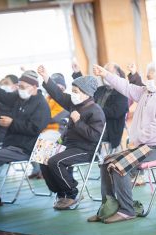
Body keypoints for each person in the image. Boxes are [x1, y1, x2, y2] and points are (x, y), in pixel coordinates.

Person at [87, 62, 156, 224]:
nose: (147, 81)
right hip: (143, 146)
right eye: (146, 78)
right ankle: (108, 208)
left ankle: (127, 210)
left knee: (119, 166)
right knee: (106, 162)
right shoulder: (146, 92)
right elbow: (125, 86)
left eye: (151, 78)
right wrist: (105, 74)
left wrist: (137, 140)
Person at [0, 69, 50, 209]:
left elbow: (34, 129)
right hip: (12, 144)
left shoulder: (41, 105)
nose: (19, 89)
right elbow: (0, 94)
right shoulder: (19, 98)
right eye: (19, 86)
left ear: (34, 87)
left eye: (23, 87)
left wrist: (12, 123)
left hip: (26, 148)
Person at [37, 65, 105, 210]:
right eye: (72, 91)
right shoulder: (74, 103)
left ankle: (71, 193)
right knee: (43, 156)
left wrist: (78, 122)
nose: (72, 94)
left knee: (55, 161)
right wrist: (45, 77)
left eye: (75, 91)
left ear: (86, 93)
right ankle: (61, 192)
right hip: (70, 146)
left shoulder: (95, 111)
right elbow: (58, 94)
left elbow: (94, 136)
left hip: (87, 149)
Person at [28, 73, 70, 180]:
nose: (57, 89)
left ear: (64, 88)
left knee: (42, 140)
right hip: (42, 129)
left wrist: (38, 117)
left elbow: (52, 118)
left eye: (60, 87)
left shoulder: (64, 100)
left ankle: (43, 170)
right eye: (54, 86)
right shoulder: (46, 99)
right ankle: (37, 168)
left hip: (57, 131)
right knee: (27, 139)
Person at [94, 63, 129, 153]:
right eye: (103, 72)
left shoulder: (122, 92)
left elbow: (115, 112)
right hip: (95, 125)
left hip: (110, 129)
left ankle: (91, 159)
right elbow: (86, 96)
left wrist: (95, 111)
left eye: (107, 72)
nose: (104, 75)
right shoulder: (99, 90)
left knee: (86, 134)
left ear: (117, 75)